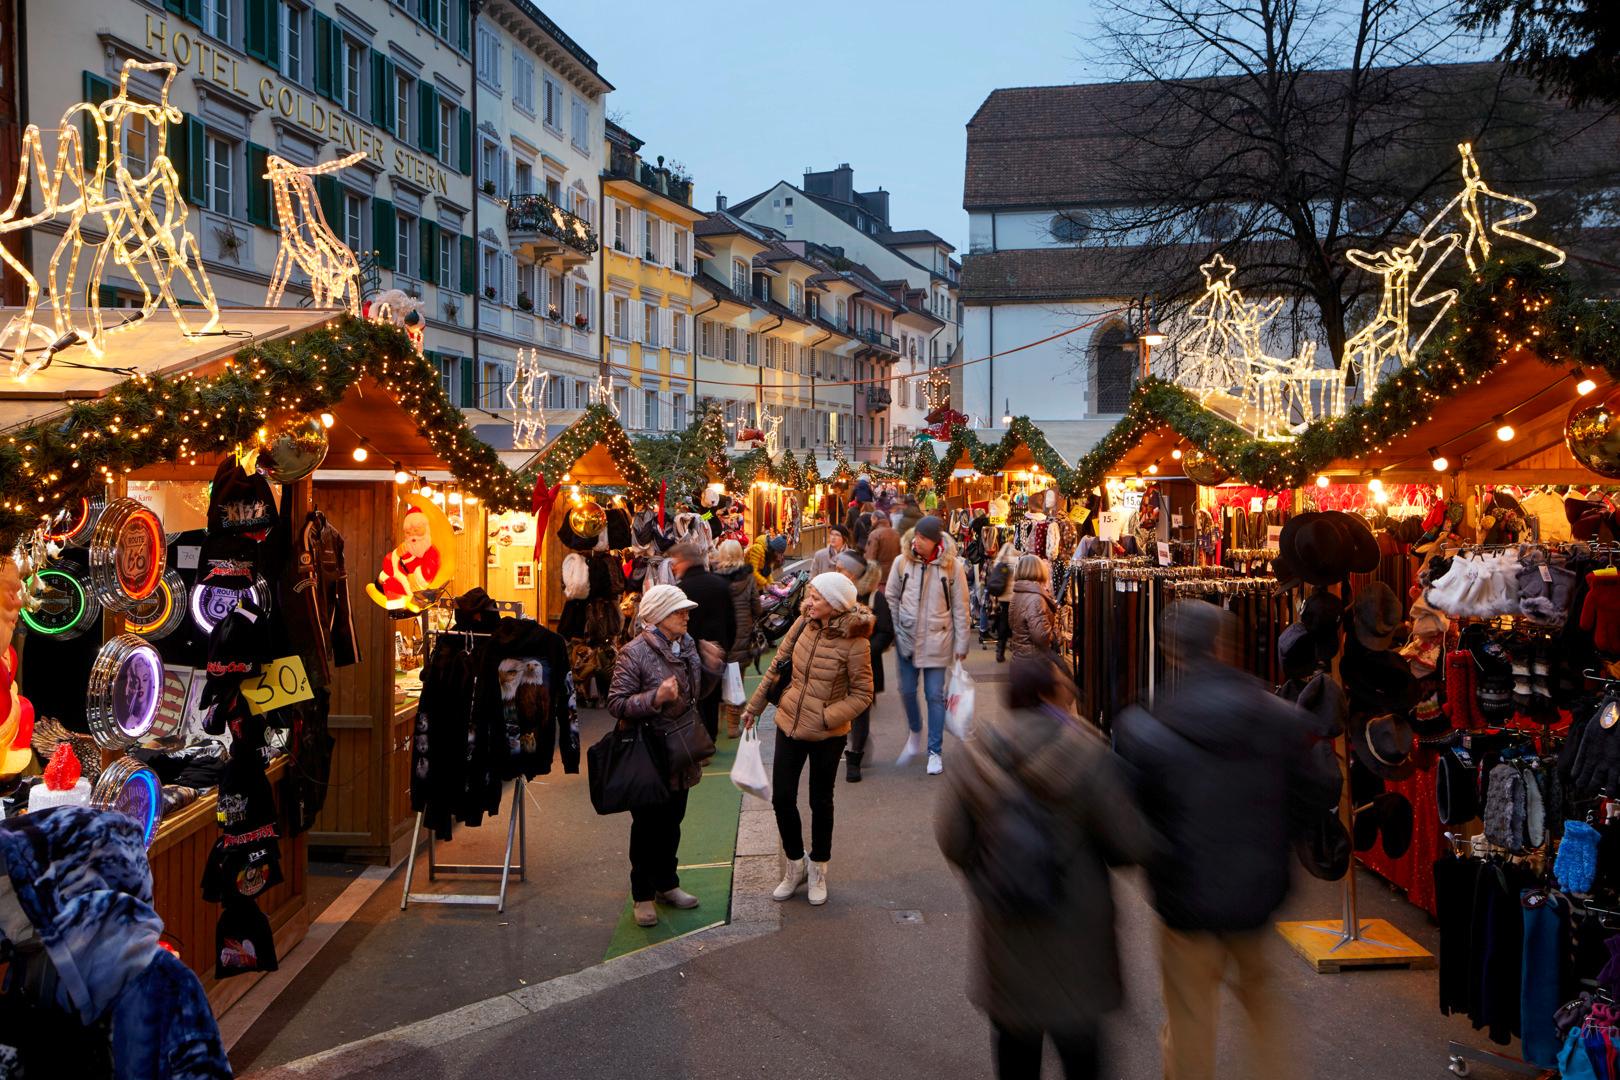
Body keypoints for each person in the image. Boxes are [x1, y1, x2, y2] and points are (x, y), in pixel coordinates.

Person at [1115, 599, 1320, 1080]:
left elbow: (1129, 820)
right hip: (1256, 892)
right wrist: (1274, 843)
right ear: (1225, 646)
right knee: (1264, 1009)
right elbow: (1310, 797)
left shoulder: (1146, 725)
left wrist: (1160, 857)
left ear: (1169, 651)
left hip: (1185, 898)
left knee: (1188, 1018)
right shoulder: (1279, 717)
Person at [937, 656, 1151, 1080]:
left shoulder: (975, 754)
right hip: (1079, 932)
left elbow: (953, 840)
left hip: (1007, 923)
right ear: (1048, 694)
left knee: (1015, 1051)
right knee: (1081, 1054)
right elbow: (1128, 844)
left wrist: (990, 872)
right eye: (1064, 683)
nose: (1071, 688)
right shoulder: (1087, 752)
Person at [740, 572, 873, 907]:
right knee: (782, 797)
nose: (809, 602)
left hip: (828, 734)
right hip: (789, 723)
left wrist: (828, 716)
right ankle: (795, 864)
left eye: (817, 598)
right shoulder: (801, 625)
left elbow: (862, 694)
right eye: (809, 595)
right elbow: (775, 669)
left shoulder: (856, 642)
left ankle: (818, 868)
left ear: (837, 605)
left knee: (820, 801)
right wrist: (753, 708)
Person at [607, 584, 725, 928]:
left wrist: (712, 669)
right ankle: (642, 895)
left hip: (681, 749)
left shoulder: (686, 644)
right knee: (646, 826)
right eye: (679, 611)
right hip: (648, 752)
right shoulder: (634, 652)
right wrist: (654, 697)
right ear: (658, 616)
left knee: (673, 820)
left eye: (686, 610)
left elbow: (695, 695)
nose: (687, 616)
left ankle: (666, 883)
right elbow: (616, 703)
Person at [886, 515, 970, 775]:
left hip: (938, 639)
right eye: (916, 536)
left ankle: (935, 750)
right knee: (907, 690)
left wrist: (962, 642)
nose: (917, 541)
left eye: (923, 538)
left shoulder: (952, 567)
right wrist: (897, 626)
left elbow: (961, 606)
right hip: (907, 639)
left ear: (935, 541)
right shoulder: (902, 562)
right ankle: (915, 730)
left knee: (935, 696)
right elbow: (891, 595)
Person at [668, 540, 737, 743]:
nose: (674, 567)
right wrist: (726, 646)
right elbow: (732, 620)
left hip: (691, 651)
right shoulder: (720, 584)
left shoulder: (682, 590)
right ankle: (711, 737)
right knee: (713, 696)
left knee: (694, 697)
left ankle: (701, 740)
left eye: (676, 562)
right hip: (718, 648)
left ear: (686, 562)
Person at [836, 551, 892, 782]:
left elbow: (887, 632)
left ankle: (854, 757)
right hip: (837, 665)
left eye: (841, 569)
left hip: (864, 665)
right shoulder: (834, 595)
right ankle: (849, 745)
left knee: (859, 712)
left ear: (854, 573)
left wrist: (865, 649)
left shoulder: (873, 598)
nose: (837, 572)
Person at [714, 539, 759, 739]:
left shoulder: (714, 578)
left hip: (720, 634)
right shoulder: (748, 578)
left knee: (716, 679)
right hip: (742, 634)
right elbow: (756, 607)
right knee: (736, 679)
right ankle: (733, 726)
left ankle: (716, 722)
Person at [1006, 554, 1056, 662]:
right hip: (1035, 659)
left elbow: (1012, 624)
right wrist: (1055, 635)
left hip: (1020, 658)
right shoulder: (1035, 598)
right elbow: (1041, 636)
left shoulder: (1017, 595)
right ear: (1039, 570)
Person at [985, 541, 1018, 660]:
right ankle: (1015, 649)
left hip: (1002, 597)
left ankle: (1000, 649)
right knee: (1015, 623)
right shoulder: (1016, 561)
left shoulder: (998, 561)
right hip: (1014, 598)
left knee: (1003, 622)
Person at [864, 511, 901, 585]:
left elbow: (870, 558)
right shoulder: (896, 533)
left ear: (875, 519)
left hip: (879, 577)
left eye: (871, 520)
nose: (871, 523)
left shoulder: (875, 534)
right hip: (894, 574)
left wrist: (867, 578)